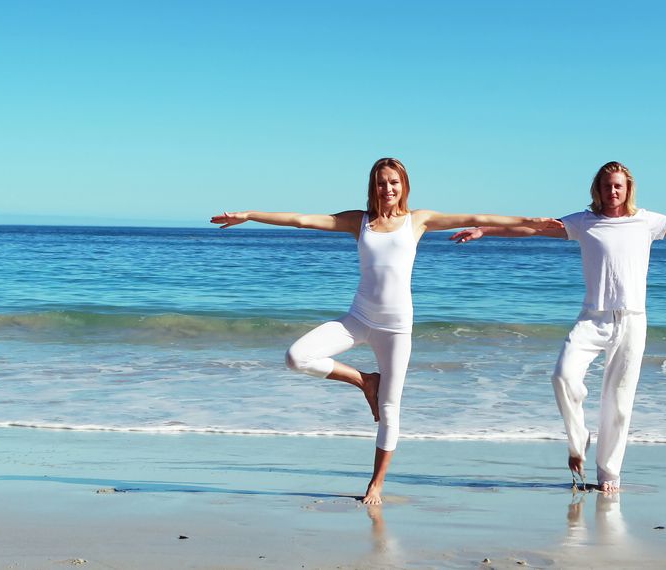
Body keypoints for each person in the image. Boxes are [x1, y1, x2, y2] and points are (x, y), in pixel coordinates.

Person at [211, 157, 561, 504]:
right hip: (358, 318)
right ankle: (365, 380)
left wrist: (527, 220)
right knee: (296, 357)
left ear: (404, 186)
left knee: (390, 409)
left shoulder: (419, 220)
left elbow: (478, 218)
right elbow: (303, 220)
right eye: (381, 182)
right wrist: (249, 215)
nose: (388, 188)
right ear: (373, 187)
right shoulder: (358, 222)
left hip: (395, 327)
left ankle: (376, 483)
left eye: (394, 182)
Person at [452, 161, 666, 493]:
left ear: (628, 189)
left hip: (632, 320)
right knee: (563, 375)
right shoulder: (583, 222)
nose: (612, 192)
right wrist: (485, 231)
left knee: (619, 403)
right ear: (598, 188)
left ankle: (608, 475)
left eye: (618, 186)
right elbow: (533, 228)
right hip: (592, 318)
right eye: (607, 186)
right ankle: (578, 436)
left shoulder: (646, 221)